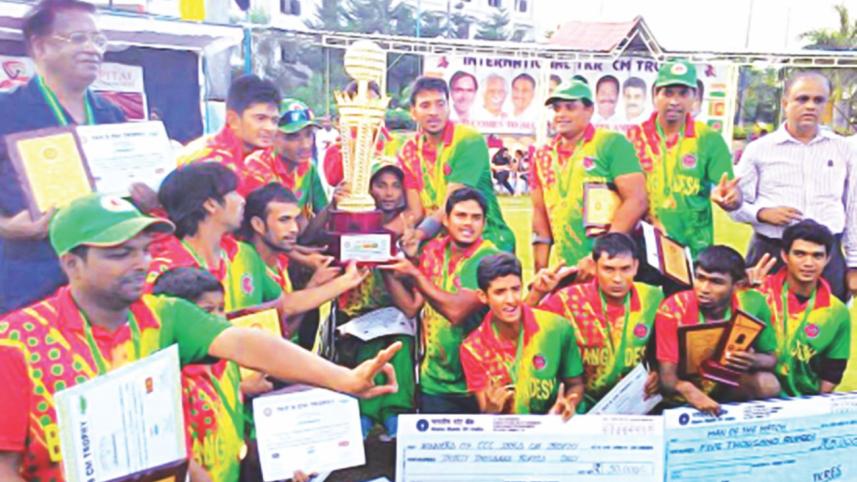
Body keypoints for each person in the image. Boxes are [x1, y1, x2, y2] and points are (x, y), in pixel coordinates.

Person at [0, 193, 401, 482]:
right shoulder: (17, 343)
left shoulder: (162, 316)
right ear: (71, 263)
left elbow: (247, 343)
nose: (141, 264)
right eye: (120, 254)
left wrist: (343, 378)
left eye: (143, 250)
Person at [0, 0, 126, 314]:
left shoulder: (111, 115)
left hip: (104, 281)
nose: (93, 49)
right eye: (78, 38)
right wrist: (5, 227)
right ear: (40, 47)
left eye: (98, 40)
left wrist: (142, 197)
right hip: (31, 277)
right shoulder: (7, 111)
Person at [148, 163, 366, 323]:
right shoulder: (166, 271)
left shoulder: (242, 255)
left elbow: (282, 308)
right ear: (210, 205)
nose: (242, 199)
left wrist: (345, 281)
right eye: (232, 192)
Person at [731, 71, 857, 301]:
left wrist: (854, 265)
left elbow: (853, 208)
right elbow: (735, 205)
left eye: (818, 100)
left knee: (825, 325)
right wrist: (761, 213)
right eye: (802, 99)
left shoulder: (843, 149)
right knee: (762, 323)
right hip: (772, 250)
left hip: (825, 254)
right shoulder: (760, 149)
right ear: (785, 102)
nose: (810, 106)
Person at [381, 188, 501, 413]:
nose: (468, 224)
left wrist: (415, 273)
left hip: (478, 382)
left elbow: (456, 312)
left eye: (476, 218)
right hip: (434, 381)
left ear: (484, 223)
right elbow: (411, 306)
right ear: (445, 220)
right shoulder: (433, 251)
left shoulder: (487, 258)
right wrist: (384, 264)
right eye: (461, 216)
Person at [626, 61, 740, 282]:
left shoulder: (709, 139)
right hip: (641, 245)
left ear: (694, 97)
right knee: (641, 311)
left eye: (683, 93)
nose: (675, 101)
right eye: (667, 92)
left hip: (692, 249)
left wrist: (731, 198)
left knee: (685, 312)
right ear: (654, 95)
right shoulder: (633, 138)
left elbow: (730, 192)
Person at [530, 233, 663, 412]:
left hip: (637, 404)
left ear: (636, 267)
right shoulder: (569, 300)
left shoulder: (653, 298)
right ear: (594, 267)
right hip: (580, 405)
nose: (618, 279)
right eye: (608, 269)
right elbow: (519, 328)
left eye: (625, 269)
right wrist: (536, 294)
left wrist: (658, 372)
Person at [332, 162, 416, 440]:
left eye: (395, 185)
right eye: (380, 185)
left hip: (397, 312)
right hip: (356, 313)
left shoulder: (412, 225)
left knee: (399, 345)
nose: (389, 193)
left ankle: (394, 417)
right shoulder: (352, 220)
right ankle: (365, 416)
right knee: (369, 347)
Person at [530, 79, 648, 273]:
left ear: (589, 110)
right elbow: (539, 214)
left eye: (570, 107)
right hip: (565, 268)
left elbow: (637, 200)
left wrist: (601, 255)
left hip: (610, 266)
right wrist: (540, 270)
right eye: (557, 108)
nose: (561, 115)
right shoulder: (542, 155)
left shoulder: (612, 143)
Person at [655, 245, 780, 415]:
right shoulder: (673, 309)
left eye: (716, 282)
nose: (704, 289)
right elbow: (667, 380)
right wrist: (689, 391)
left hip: (725, 385)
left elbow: (771, 359)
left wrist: (751, 360)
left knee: (769, 384)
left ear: (738, 285)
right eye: (700, 278)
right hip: (681, 395)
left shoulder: (753, 303)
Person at [398, 76, 516, 253]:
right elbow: (415, 211)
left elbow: (451, 203)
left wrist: (420, 234)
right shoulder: (408, 151)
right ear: (413, 112)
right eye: (425, 105)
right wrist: (380, 232)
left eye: (440, 104)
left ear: (448, 107)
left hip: (487, 241)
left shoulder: (468, 141)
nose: (433, 112)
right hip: (440, 244)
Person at [459, 253, 584, 420]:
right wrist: (491, 410)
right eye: (500, 292)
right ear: (483, 296)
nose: (510, 299)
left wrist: (569, 404)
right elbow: (487, 412)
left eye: (515, 289)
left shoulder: (556, 327)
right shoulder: (473, 349)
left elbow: (575, 384)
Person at [151, 267, 246, 482]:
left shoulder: (228, 363)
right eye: (206, 311)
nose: (218, 319)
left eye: (221, 309)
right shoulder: (168, 380)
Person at [751, 220, 851, 396]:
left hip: (804, 400)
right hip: (757, 396)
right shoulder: (759, 294)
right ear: (784, 255)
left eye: (817, 256)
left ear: (828, 259)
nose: (808, 263)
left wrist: (811, 407)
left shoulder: (837, 311)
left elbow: (834, 369)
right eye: (800, 254)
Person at [176, 74, 280, 173]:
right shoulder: (206, 161)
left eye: (274, 120)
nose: (270, 128)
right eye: (260, 118)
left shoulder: (272, 157)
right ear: (233, 120)